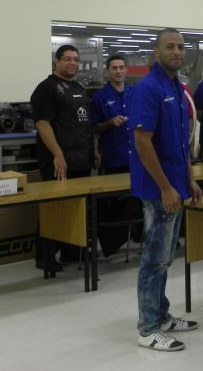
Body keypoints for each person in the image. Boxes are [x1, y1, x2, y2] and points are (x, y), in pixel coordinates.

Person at [129, 28, 202, 351]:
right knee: (154, 260)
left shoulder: (176, 86)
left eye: (181, 46)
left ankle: (162, 314)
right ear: (156, 52)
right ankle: (147, 329)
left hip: (176, 185)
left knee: (165, 258)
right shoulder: (148, 88)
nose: (176, 51)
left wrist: (188, 180)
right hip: (158, 190)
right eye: (169, 47)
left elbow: (182, 142)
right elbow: (143, 143)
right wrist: (166, 188)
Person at [31, 44, 94, 271]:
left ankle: (70, 250)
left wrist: (92, 150)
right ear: (56, 61)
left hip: (80, 159)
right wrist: (58, 154)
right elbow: (42, 124)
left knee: (76, 208)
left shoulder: (78, 87)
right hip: (58, 162)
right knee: (54, 210)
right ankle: (45, 257)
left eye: (76, 59)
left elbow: (84, 122)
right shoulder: (46, 88)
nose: (72, 63)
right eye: (67, 59)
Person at [91, 54, 140, 257]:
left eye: (121, 67)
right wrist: (111, 123)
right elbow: (94, 128)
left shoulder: (135, 93)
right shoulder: (100, 97)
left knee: (138, 200)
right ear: (107, 71)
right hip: (114, 157)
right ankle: (114, 243)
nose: (118, 71)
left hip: (136, 157)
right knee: (115, 203)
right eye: (114, 68)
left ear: (126, 70)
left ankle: (139, 236)